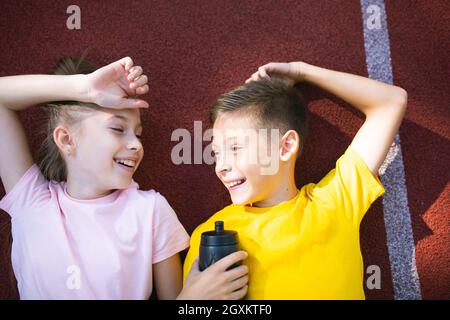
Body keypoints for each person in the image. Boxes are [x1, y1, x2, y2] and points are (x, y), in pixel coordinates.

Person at [0, 56, 248, 300]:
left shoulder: (149, 210)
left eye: (138, 134)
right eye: (118, 129)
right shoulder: (32, 203)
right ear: (66, 139)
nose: (136, 145)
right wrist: (83, 87)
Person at [183, 61, 407, 299]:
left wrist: (303, 71)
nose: (221, 166)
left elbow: (391, 102)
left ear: (286, 146)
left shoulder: (335, 201)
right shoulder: (209, 235)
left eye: (236, 148)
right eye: (217, 153)